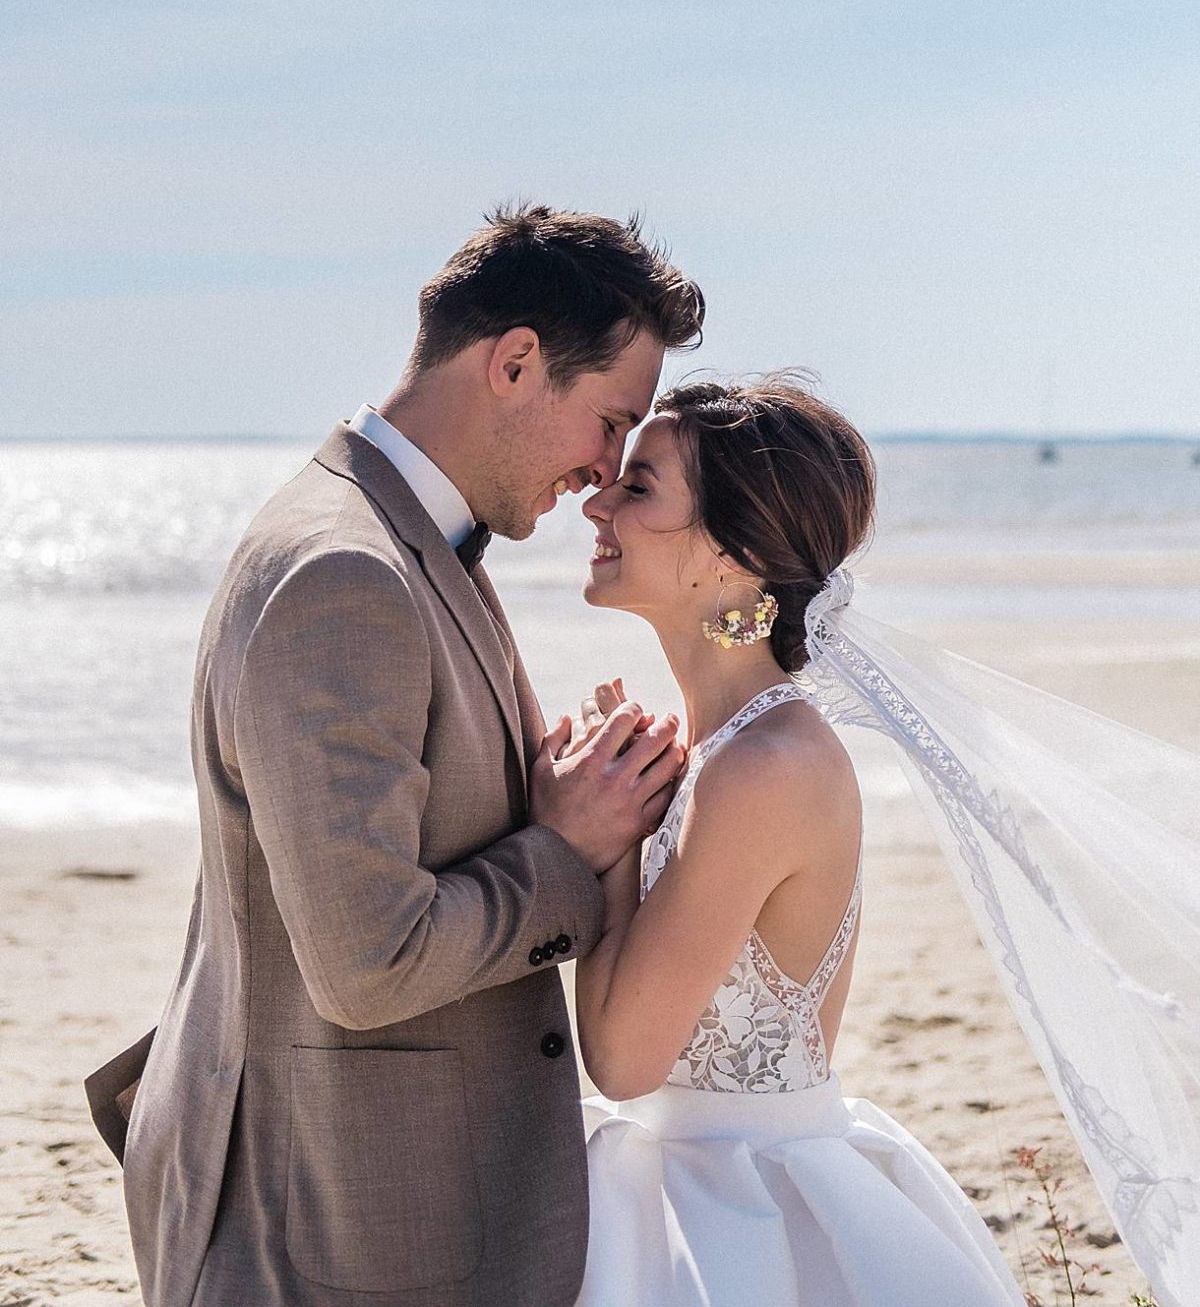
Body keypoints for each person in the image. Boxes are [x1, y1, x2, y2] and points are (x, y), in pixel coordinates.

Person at [84, 204, 704, 1307]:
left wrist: (531, 795)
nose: (604, 473)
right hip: (332, 1228)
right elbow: (367, 962)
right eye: (610, 422)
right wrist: (562, 848)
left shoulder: (398, 535)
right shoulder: (345, 571)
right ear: (516, 363)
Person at [563, 374, 1199, 1307]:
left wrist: (603, 841)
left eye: (641, 486)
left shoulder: (764, 769)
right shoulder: (720, 749)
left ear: (732, 554)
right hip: (689, 1177)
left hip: (740, 1219)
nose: (597, 499)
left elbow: (623, 1062)